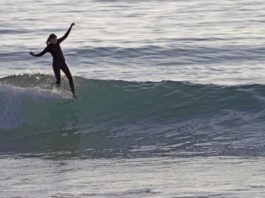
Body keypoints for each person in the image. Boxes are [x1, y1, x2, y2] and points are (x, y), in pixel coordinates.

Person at [30, 23, 77, 98]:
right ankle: (55, 92)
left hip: (63, 63)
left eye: (56, 39)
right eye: (54, 39)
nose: (55, 40)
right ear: (51, 40)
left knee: (70, 78)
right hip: (56, 65)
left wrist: (70, 27)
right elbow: (41, 54)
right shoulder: (49, 47)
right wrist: (34, 55)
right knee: (59, 81)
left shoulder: (58, 42)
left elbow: (65, 36)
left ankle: (73, 94)